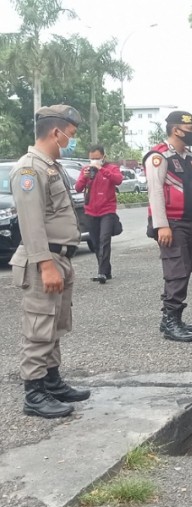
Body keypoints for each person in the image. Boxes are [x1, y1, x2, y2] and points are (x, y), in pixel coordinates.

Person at [9, 104, 91, 419]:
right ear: (55, 133)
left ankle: (52, 382)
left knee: (54, 325)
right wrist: (45, 265)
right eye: (69, 135)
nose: (70, 141)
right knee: (39, 328)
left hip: (59, 257)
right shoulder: (30, 169)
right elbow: (31, 224)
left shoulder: (50, 167)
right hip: (43, 261)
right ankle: (34, 393)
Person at [145, 111, 192, 343]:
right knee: (177, 270)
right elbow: (154, 193)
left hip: (188, 222)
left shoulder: (190, 158)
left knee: (185, 268)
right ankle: (171, 321)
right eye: (190, 129)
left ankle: (173, 318)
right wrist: (161, 225)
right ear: (176, 130)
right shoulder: (159, 156)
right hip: (171, 223)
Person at [75, 145, 123, 283]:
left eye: (97, 158)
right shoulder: (86, 170)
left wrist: (102, 170)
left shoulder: (111, 168)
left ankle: (101, 272)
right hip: (90, 211)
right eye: (92, 159)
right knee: (95, 242)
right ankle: (106, 270)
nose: (94, 161)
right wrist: (84, 177)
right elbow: (78, 188)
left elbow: (118, 180)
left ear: (103, 157)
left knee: (104, 240)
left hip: (107, 210)